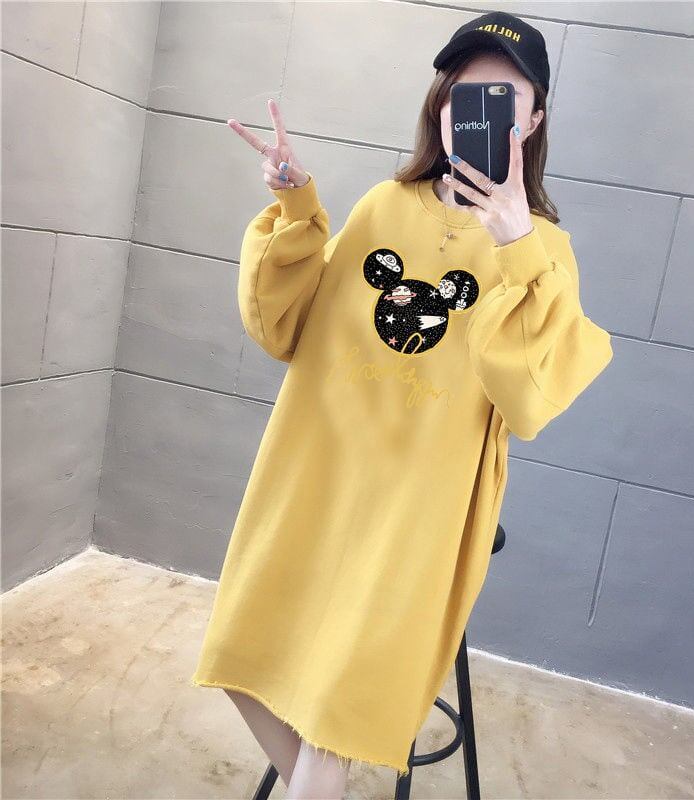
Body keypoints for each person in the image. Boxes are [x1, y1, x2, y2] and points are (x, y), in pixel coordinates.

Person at [191, 10, 614, 799]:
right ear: (440, 105)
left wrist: (515, 242)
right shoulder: (385, 206)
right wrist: (296, 206)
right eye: (463, 93)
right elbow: (286, 325)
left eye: (502, 97)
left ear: (533, 120)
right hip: (316, 474)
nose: (476, 110)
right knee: (239, 657)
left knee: (338, 714)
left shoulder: (544, 252)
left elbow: (530, 394)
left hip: (420, 504)